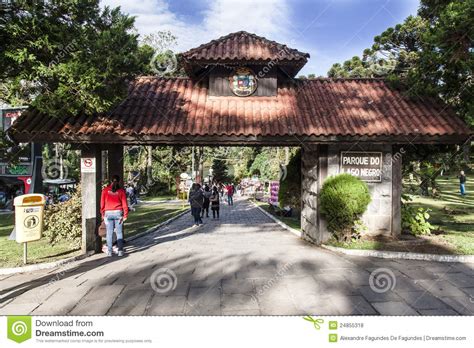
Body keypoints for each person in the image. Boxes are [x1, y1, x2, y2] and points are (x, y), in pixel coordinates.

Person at [100, 175, 129, 257]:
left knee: (109, 233)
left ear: (110, 180)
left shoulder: (105, 190)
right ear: (119, 181)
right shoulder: (121, 191)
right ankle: (120, 251)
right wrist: (125, 215)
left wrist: (103, 214)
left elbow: (102, 204)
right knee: (119, 233)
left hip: (108, 213)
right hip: (118, 213)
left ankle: (109, 251)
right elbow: (125, 204)